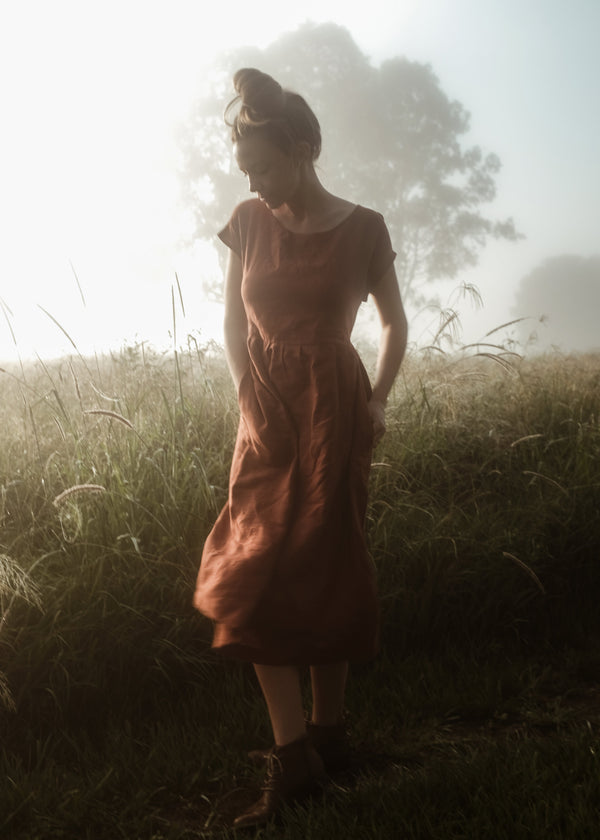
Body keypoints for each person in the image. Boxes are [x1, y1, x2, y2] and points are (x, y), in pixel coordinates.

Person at [193, 67, 408, 829]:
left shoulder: (365, 227)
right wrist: (247, 393)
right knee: (249, 567)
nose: (256, 185)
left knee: (330, 558)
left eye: (265, 168)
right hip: (266, 409)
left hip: (336, 410)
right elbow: (230, 322)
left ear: (306, 148)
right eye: (246, 171)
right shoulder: (247, 222)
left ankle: (329, 739)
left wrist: (377, 398)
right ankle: (295, 764)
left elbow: (393, 323)